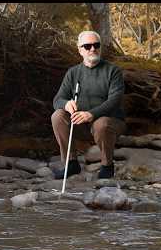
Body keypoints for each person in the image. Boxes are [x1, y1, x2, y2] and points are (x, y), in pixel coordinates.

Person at [51, 31, 126, 180]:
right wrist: (67, 104)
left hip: (110, 122)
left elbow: (114, 101)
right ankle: (71, 163)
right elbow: (57, 100)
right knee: (57, 116)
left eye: (96, 45)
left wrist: (91, 114)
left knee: (101, 124)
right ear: (80, 50)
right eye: (87, 46)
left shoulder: (113, 71)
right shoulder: (73, 73)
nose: (92, 49)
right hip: (81, 123)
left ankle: (107, 165)